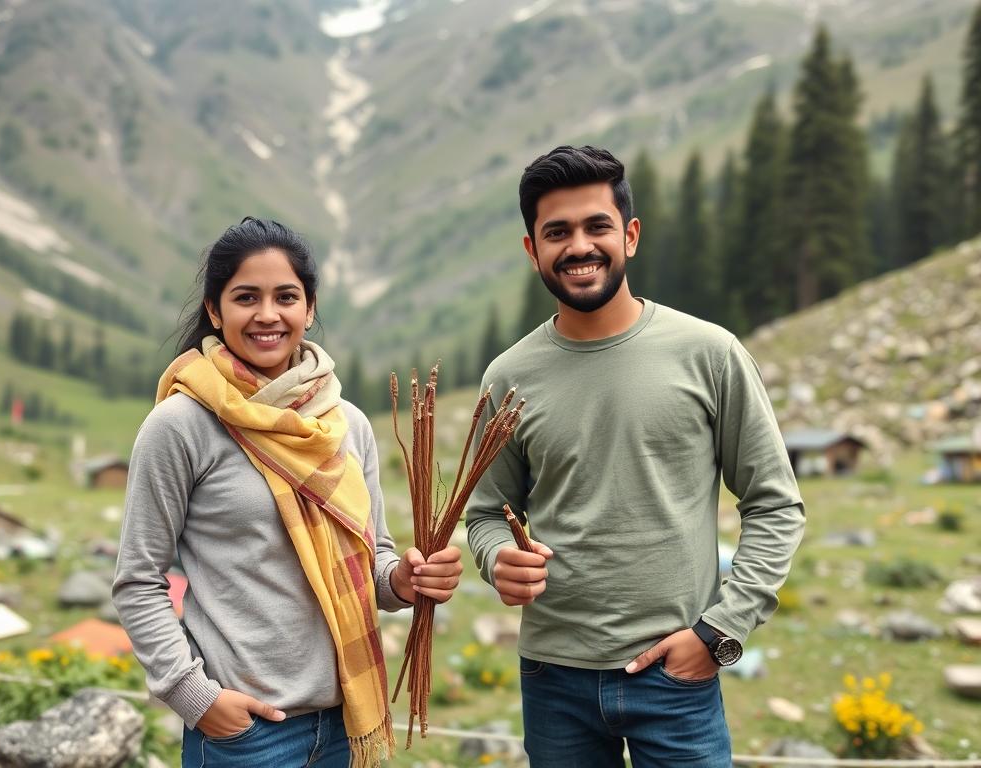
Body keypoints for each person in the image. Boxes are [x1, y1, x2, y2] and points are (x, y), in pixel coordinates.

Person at [465, 146, 805, 767]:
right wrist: (496, 559)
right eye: (557, 232)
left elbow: (776, 503)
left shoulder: (710, 354)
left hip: (677, 679)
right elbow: (486, 512)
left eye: (597, 226)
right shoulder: (507, 377)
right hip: (552, 677)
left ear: (630, 234)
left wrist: (721, 632)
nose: (579, 246)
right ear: (531, 250)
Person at [113, 217, 462, 768]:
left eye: (286, 296)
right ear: (214, 310)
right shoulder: (181, 424)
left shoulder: (346, 424)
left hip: (345, 725)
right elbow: (138, 578)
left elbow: (375, 566)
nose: (268, 314)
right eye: (246, 297)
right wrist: (195, 698)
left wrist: (406, 580)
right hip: (247, 735)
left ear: (310, 307)